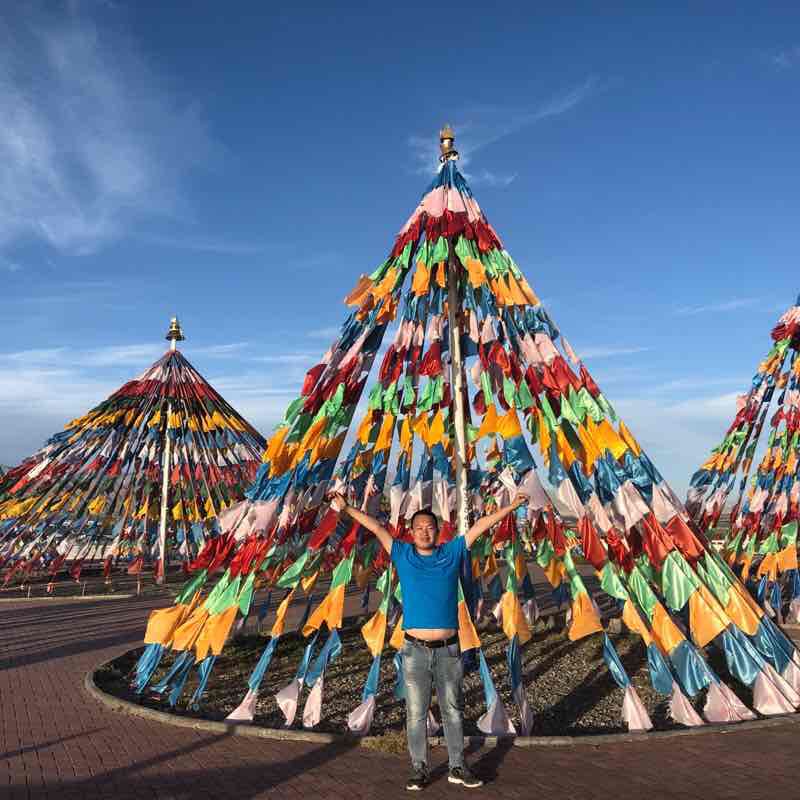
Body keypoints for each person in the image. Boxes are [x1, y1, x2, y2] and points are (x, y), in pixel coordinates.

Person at [329, 491, 528, 791]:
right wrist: (346, 508)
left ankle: (458, 766)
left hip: (449, 650)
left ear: (437, 531)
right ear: (411, 532)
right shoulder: (403, 554)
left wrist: (512, 506)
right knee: (416, 713)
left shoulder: (452, 552)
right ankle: (419, 768)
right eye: (419, 527)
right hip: (414, 651)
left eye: (430, 527)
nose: (424, 531)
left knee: (453, 711)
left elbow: (480, 526)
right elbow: (377, 528)